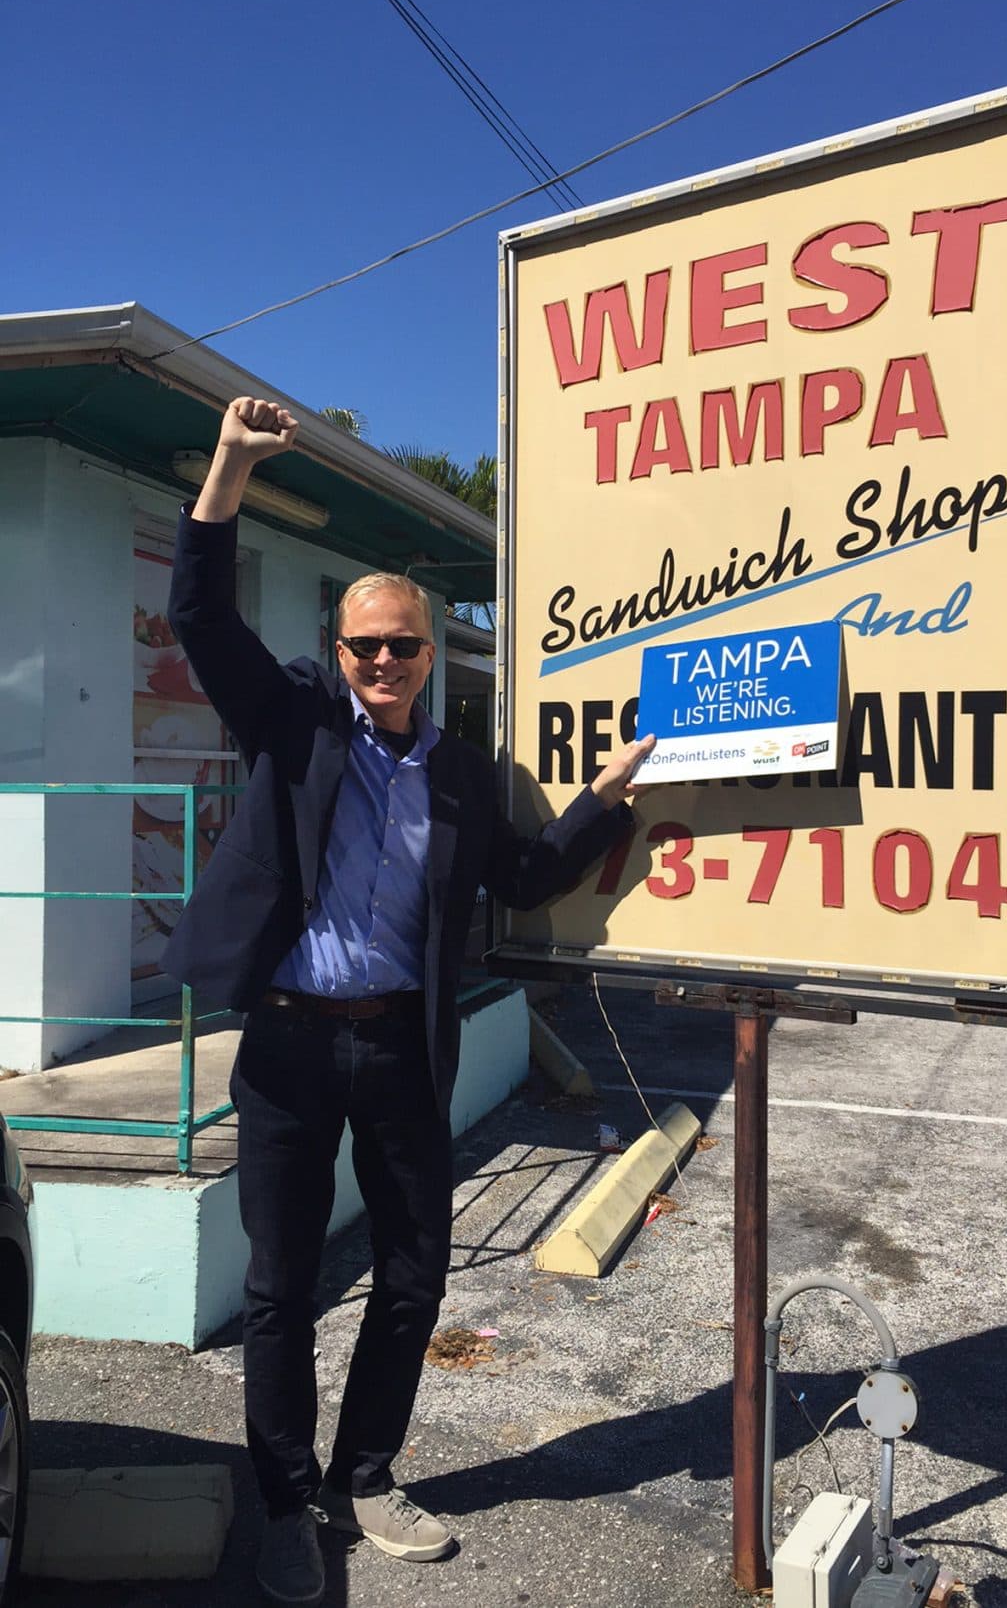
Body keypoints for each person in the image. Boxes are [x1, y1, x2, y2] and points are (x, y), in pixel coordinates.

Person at [162, 397, 653, 1605]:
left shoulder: (461, 773)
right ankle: (286, 1500)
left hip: (395, 1050)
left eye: (405, 646)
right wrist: (230, 464)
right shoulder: (291, 719)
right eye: (365, 645)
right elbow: (197, 614)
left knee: (414, 1274)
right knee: (279, 1290)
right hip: (285, 1047)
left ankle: (365, 1472)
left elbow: (525, 882)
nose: (383, 662)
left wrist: (607, 791)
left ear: (434, 655)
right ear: (338, 652)